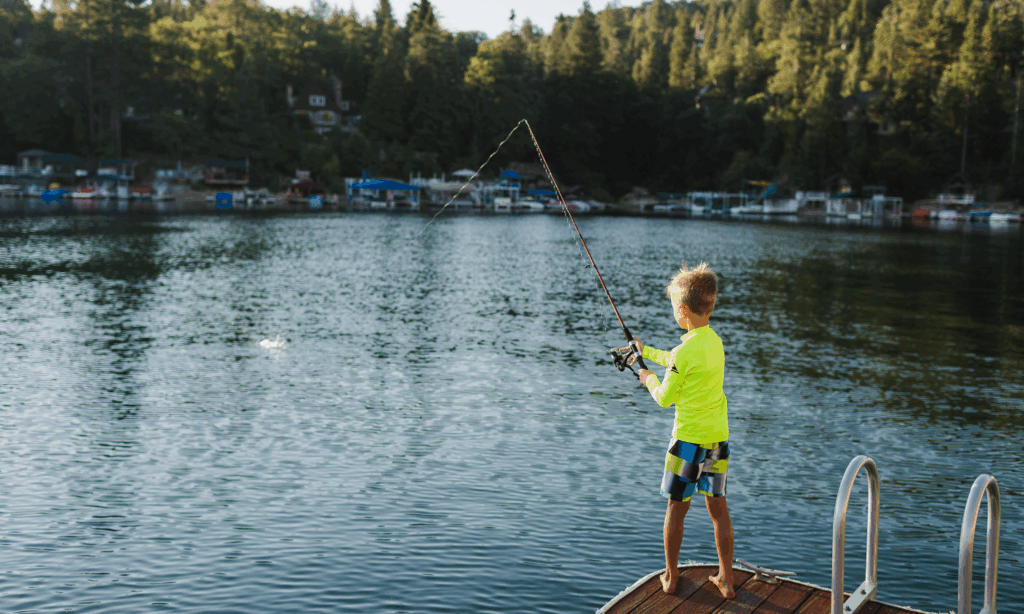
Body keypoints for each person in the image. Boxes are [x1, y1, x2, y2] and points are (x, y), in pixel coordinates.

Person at [632, 262, 734, 598]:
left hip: (687, 443)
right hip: (717, 441)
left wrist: (646, 376)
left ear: (682, 310)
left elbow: (664, 397)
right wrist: (644, 352)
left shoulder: (683, 352)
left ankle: (672, 577)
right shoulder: (714, 343)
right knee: (718, 509)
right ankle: (727, 580)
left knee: (677, 510)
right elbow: (679, 361)